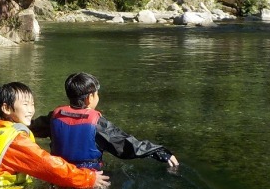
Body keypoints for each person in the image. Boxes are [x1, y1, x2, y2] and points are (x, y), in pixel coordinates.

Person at [0, 82, 110, 189]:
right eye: (25, 105)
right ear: (6, 108)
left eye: (32, 104)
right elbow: (50, 166)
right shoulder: (16, 141)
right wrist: (88, 178)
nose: (31, 110)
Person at [30, 72, 179, 169]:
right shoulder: (98, 124)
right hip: (90, 179)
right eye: (97, 94)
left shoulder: (54, 117)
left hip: (60, 174)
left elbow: (31, 128)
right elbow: (128, 146)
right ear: (90, 98)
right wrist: (161, 152)